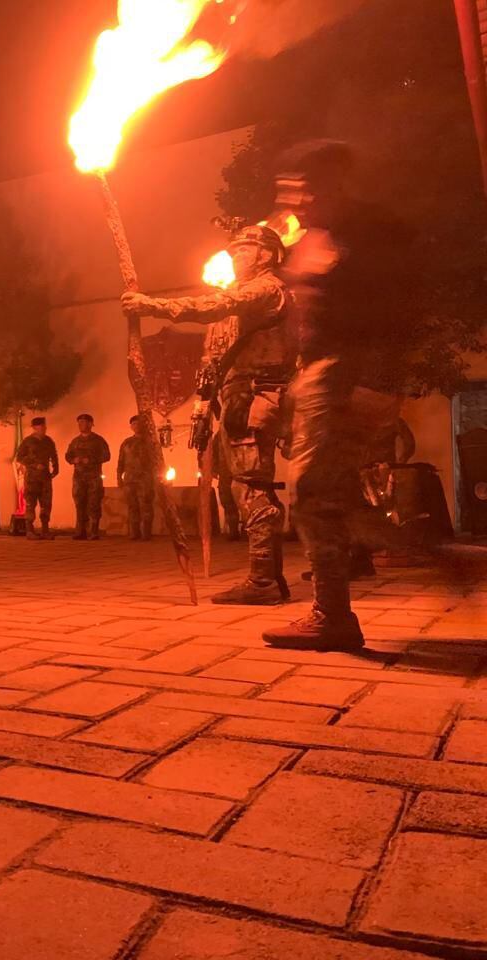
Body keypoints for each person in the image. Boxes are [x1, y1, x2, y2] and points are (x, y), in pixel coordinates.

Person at [259, 140, 414, 650]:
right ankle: (393, 553)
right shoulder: (324, 236)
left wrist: (355, 380)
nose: (293, 202)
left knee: (311, 492)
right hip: (333, 374)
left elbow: (385, 315)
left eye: (301, 189)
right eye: (288, 192)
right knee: (328, 492)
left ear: (331, 184)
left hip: (347, 373)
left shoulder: (368, 233)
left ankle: (335, 612)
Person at [123, 223, 294, 604]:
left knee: (251, 486)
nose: (235, 258)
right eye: (233, 251)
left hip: (257, 397)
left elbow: (215, 306)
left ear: (266, 255)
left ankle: (263, 581)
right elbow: (213, 359)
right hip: (236, 398)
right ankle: (269, 578)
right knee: (243, 485)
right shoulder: (236, 303)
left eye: (243, 251)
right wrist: (202, 407)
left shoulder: (267, 289)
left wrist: (154, 307)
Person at [65, 414, 111, 539]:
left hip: (94, 478)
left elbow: (107, 456)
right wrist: (73, 460)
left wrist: (91, 460)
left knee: (94, 504)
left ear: (90, 424)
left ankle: (94, 531)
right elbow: (68, 456)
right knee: (80, 504)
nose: (81, 425)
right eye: (79, 422)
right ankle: (80, 531)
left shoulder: (98, 440)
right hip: (79, 479)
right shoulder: (75, 441)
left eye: (83, 422)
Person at [15, 416, 60, 539]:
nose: (44, 428)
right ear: (35, 427)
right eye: (41, 425)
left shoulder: (48, 441)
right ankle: (29, 530)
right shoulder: (28, 442)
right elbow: (20, 457)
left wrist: (56, 468)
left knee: (46, 504)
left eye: (44, 425)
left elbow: (54, 455)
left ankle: (45, 530)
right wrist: (34, 465)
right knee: (31, 504)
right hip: (32, 478)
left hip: (45, 478)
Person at [117, 415, 155, 540]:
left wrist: (158, 477)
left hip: (145, 479)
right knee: (132, 507)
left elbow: (157, 461)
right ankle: (134, 533)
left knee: (146, 506)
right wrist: (119, 478)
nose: (136, 426)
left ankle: (146, 533)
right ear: (131, 427)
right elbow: (121, 461)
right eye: (134, 424)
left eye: (139, 424)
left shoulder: (151, 442)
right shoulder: (126, 443)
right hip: (130, 480)